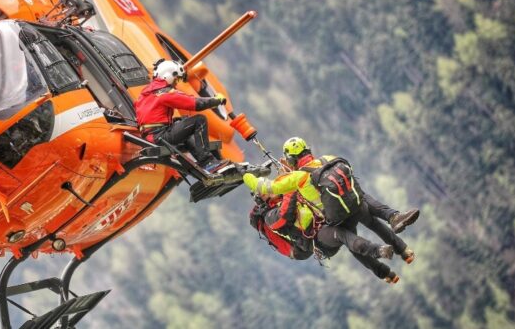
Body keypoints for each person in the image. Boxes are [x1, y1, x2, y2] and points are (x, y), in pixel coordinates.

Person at [243, 137, 420, 263]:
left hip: (333, 216)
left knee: (353, 229)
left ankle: (389, 250)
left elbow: (268, 188)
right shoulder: (325, 159)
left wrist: (247, 177)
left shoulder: (297, 178)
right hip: (349, 204)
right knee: (363, 203)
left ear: (290, 160)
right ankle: (395, 222)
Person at [249, 192, 402, 283]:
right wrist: (289, 186)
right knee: (342, 235)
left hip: (322, 228)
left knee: (350, 239)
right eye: (267, 190)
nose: (272, 189)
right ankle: (378, 250)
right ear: (263, 199)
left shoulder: (280, 200)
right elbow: (286, 214)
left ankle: (385, 273)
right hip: (317, 243)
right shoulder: (270, 217)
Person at [135, 59, 228, 171]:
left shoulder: (146, 93)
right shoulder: (164, 92)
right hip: (160, 137)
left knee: (183, 123)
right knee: (199, 120)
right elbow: (194, 103)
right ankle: (208, 163)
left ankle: (211, 163)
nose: (175, 83)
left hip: (151, 137)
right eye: (176, 79)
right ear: (168, 75)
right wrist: (216, 101)